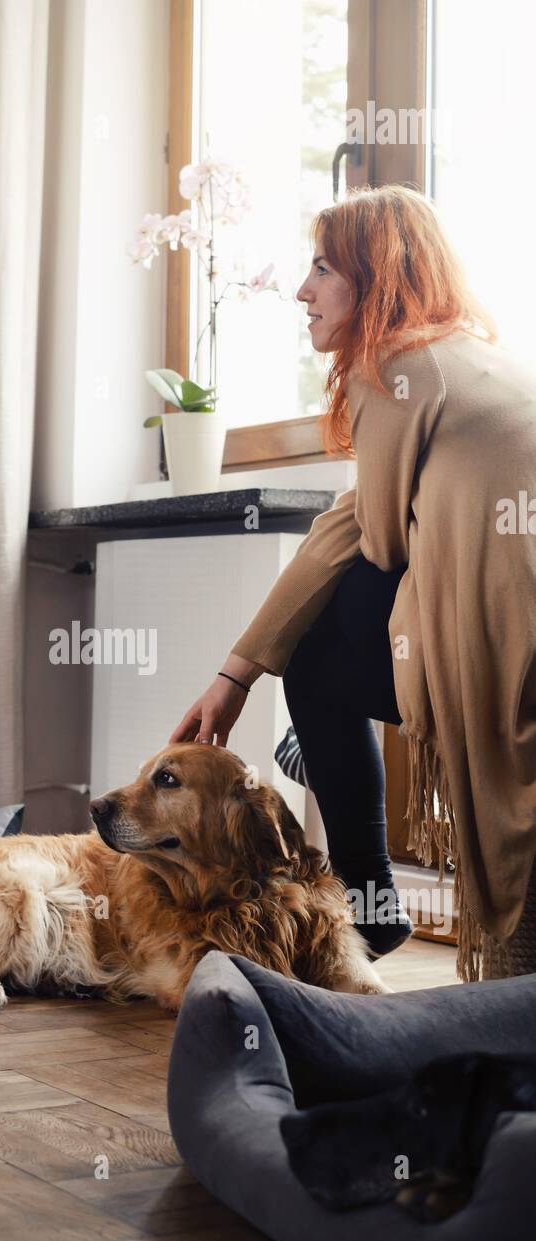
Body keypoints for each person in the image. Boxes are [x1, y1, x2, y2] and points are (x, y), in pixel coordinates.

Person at [171, 185, 536, 980]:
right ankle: (339, 809)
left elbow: (371, 539)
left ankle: (365, 893)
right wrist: (235, 672)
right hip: (510, 631)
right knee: (332, 600)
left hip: (497, 653)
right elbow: (350, 520)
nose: (303, 291)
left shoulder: (395, 366)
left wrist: (242, 674)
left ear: (375, 276)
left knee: (325, 636)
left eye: (322, 268)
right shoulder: (464, 357)